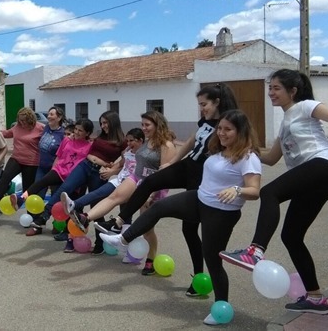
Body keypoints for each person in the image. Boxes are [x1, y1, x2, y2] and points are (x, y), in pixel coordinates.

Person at [220, 69, 328, 315]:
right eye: (270, 88)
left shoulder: (306, 107)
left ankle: (254, 251)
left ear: (293, 91)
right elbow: (271, 158)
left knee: (269, 192)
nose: (271, 92)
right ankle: (315, 298)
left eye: (277, 88)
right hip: (317, 179)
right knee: (291, 236)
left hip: (325, 165)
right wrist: (242, 147)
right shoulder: (285, 124)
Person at [101, 109, 262, 326]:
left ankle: (221, 308)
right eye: (220, 128)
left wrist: (237, 190)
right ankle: (122, 240)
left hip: (221, 213)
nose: (222, 133)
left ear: (240, 131)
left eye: (228, 130)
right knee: (159, 209)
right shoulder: (217, 150)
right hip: (199, 199)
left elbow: (255, 190)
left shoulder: (248, 157)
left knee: (213, 260)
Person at [91, 83, 239, 294]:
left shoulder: (228, 126)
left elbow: (237, 157)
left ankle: (198, 279)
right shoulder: (207, 121)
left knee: (189, 230)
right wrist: (173, 162)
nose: (201, 108)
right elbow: (190, 141)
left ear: (218, 102)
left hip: (201, 176)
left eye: (204, 104)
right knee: (151, 180)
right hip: (188, 165)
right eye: (199, 105)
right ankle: (119, 221)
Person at [66, 111, 178, 258]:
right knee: (113, 197)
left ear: (158, 125)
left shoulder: (166, 145)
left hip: (153, 186)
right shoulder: (147, 142)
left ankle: (151, 257)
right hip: (136, 178)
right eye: (142, 124)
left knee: (147, 229)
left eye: (147, 125)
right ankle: (85, 218)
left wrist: (152, 195)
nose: (144, 128)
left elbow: (165, 175)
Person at [28, 111, 126, 236]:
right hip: (85, 166)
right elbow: (85, 144)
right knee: (64, 190)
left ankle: (99, 242)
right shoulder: (100, 136)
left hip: (99, 174)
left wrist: (112, 171)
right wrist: (71, 136)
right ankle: (44, 217)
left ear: (113, 122)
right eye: (101, 123)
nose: (103, 126)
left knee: (95, 205)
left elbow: (125, 162)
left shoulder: (122, 141)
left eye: (105, 123)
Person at [16, 119, 94, 235]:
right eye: (76, 129)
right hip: (59, 170)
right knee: (41, 182)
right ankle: (20, 199)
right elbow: (59, 156)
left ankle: (66, 231)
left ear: (87, 133)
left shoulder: (90, 146)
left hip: (73, 177)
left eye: (80, 131)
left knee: (68, 204)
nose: (76, 132)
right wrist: (53, 169)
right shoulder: (67, 140)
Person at [0, 107, 45, 214]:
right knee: (5, 178)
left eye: (24, 120)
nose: (21, 123)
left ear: (30, 119)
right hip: (16, 158)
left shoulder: (40, 128)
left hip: (31, 162)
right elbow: (7, 133)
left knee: (27, 188)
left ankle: (30, 214)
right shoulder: (17, 127)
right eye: (20, 120)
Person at [31, 106, 67, 196]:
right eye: (48, 114)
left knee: (55, 195)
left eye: (52, 114)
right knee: (38, 194)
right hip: (42, 168)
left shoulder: (63, 134)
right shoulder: (46, 128)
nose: (48, 116)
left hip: (55, 171)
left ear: (59, 118)